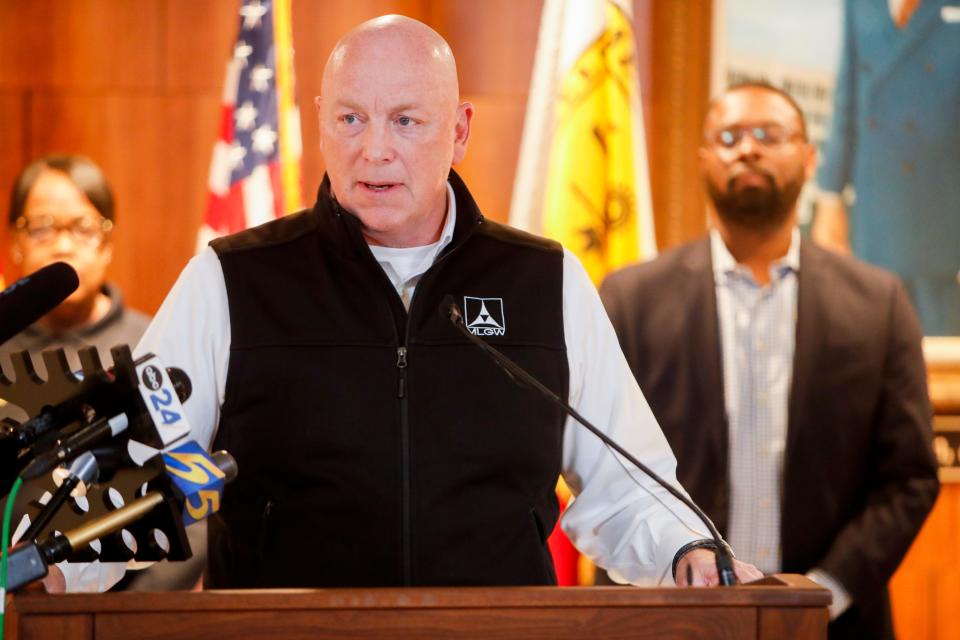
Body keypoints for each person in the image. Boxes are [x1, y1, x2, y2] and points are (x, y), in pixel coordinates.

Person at [47, 15, 760, 592]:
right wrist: (55, 566)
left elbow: (628, 483)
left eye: (407, 121)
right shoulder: (231, 280)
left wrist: (687, 549)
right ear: (321, 122)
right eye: (351, 120)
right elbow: (136, 465)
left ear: (459, 130)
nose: (374, 150)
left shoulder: (545, 282)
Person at [600, 83, 939, 639]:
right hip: (664, 619)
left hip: (837, 621)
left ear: (809, 159)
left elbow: (908, 477)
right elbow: (605, 471)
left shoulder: (879, 304)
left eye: (769, 136)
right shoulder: (629, 301)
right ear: (704, 160)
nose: (748, 149)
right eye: (729, 137)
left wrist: (824, 592)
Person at [812, 0, 960, 335]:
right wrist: (830, 196)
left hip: (944, 207)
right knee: (875, 333)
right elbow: (846, 101)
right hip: (878, 200)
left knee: (940, 346)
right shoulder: (859, 5)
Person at [1, 154, 150, 402]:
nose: (63, 246)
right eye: (43, 227)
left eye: (84, 228)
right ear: (16, 242)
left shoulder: (149, 342)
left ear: (107, 245)